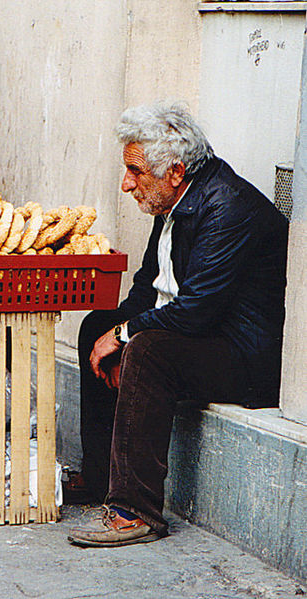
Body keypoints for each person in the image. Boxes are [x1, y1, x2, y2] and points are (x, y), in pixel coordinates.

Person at [67, 101, 288, 548]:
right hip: (194, 336)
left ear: (175, 171)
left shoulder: (228, 208)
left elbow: (198, 310)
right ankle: (98, 479)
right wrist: (115, 332)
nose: (126, 184)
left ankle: (135, 510)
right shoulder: (171, 202)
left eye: (136, 172)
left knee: (147, 349)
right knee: (97, 325)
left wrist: (125, 338)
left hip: (242, 357)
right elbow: (146, 290)